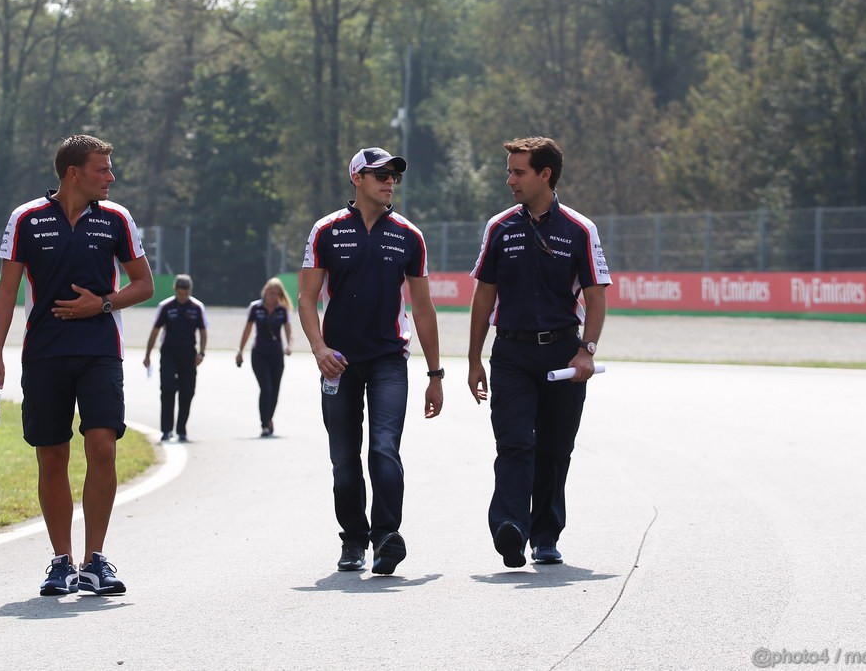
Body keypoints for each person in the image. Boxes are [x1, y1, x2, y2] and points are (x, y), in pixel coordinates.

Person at [0, 134, 155, 597]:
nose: (111, 177)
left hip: (101, 351)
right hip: (44, 355)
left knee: (103, 446)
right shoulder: (26, 218)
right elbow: (5, 291)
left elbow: (144, 285)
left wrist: (101, 305)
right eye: (102, 169)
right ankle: (61, 562)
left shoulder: (117, 218)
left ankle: (95, 560)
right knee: (52, 453)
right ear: (74, 173)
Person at [299, 147, 445, 576]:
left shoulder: (408, 235)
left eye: (394, 175)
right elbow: (306, 299)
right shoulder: (325, 231)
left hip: (388, 361)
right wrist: (320, 350)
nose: (389, 181)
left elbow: (422, 308)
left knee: (384, 450)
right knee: (344, 462)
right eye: (380, 174)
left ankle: (386, 537)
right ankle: (352, 540)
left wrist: (435, 374)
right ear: (357, 179)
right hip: (338, 363)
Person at [466, 136, 611, 568]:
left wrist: (587, 350)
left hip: (563, 355)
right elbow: (483, 298)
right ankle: (510, 526)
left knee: (554, 450)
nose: (509, 179)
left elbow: (597, 297)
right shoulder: (500, 227)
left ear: (544, 175)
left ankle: (546, 536)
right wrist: (474, 358)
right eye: (509, 170)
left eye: (518, 171)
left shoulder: (580, 229)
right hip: (510, 353)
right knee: (513, 444)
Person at [143, 274, 208, 443]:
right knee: (168, 389)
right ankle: (166, 430)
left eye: (185, 294)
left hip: (188, 354)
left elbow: (203, 331)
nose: (182, 297)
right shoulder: (165, 307)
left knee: (187, 391)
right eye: (180, 294)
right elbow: (155, 331)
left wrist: (201, 352)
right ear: (175, 291)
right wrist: (148, 354)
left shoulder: (197, 307)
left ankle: (182, 430)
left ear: (190, 292)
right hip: (169, 353)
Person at [236, 277, 294, 437]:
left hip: (276, 354)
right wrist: (240, 350)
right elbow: (247, 330)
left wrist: (289, 345)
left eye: (276, 293)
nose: (273, 296)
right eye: (271, 292)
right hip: (259, 354)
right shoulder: (255, 308)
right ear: (265, 291)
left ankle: (269, 419)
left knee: (275, 390)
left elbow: (288, 330)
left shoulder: (282, 310)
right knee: (266, 388)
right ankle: (264, 424)